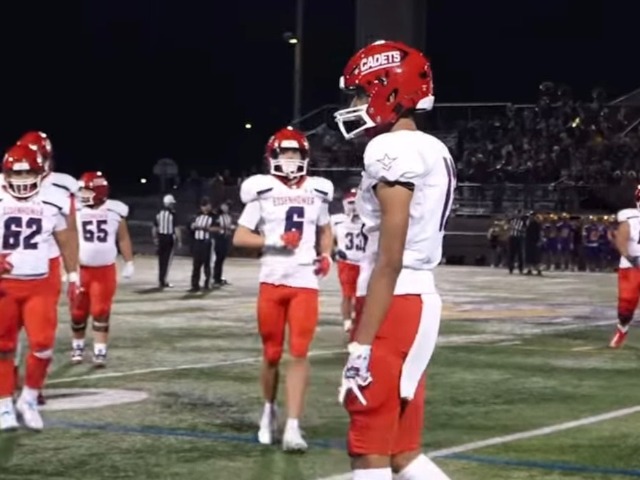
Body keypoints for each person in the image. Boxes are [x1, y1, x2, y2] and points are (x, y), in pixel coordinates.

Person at [333, 40, 454, 480]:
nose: (354, 105)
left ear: (388, 89)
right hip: (418, 301)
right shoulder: (433, 148)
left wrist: (361, 346)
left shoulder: (392, 150)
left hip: (394, 304)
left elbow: (390, 258)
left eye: (360, 94)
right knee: (403, 452)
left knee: (369, 450)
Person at [232, 126, 334, 451]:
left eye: (295, 152)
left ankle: (293, 425)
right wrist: (274, 241)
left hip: (304, 280)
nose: (290, 158)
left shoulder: (318, 190)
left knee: (300, 352)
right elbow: (240, 237)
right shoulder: (262, 190)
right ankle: (268, 410)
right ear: (272, 156)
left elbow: (325, 228)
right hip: (272, 279)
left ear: (305, 156)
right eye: (285, 152)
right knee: (272, 354)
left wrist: (326, 254)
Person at [0, 144, 79, 431]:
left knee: (43, 345)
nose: (21, 180)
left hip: (39, 283)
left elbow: (66, 238)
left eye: (27, 174)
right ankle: (3, 404)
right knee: (4, 346)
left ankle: (29, 399)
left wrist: (74, 275)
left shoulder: (54, 198)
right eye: (16, 174)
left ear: (41, 173)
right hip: (4, 285)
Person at [70, 171, 134, 367]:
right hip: (82, 269)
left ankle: (100, 351)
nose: (82, 195)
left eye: (86, 191)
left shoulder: (115, 210)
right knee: (78, 312)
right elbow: (69, 238)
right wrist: (69, 268)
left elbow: (123, 238)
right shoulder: (75, 210)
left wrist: (129, 261)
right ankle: (78, 347)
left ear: (98, 191)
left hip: (104, 270)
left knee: (101, 311)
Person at [610, 186, 640, 348]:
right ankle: (622, 329)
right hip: (632, 267)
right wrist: (629, 257)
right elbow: (621, 238)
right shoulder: (631, 219)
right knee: (626, 305)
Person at [331, 188, 364, 332]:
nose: (354, 206)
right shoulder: (337, 220)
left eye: (356, 202)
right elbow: (330, 238)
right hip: (347, 261)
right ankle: (347, 321)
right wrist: (335, 250)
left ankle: (360, 319)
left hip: (365, 262)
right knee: (347, 294)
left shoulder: (370, 220)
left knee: (363, 294)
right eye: (350, 202)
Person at [189, 197, 215, 292]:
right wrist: (192, 226)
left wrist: (206, 228)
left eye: (207, 205)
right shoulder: (197, 216)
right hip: (197, 242)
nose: (205, 208)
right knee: (196, 264)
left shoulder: (213, 216)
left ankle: (208, 284)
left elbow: (217, 228)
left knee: (207, 264)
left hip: (207, 242)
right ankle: (194, 285)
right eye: (203, 206)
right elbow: (190, 226)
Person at [152, 194, 179, 288]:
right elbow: (176, 228)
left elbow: (154, 228)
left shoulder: (159, 214)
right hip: (169, 238)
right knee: (167, 260)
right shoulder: (172, 214)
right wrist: (179, 240)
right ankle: (163, 280)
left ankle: (161, 279)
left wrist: (155, 238)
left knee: (161, 260)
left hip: (161, 237)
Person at [212, 201, 234, 286]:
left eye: (227, 206)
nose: (226, 208)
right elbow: (214, 227)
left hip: (225, 238)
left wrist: (230, 228)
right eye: (224, 206)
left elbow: (230, 226)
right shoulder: (217, 216)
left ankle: (218, 277)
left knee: (221, 258)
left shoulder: (228, 216)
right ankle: (215, 277)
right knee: (218, 259)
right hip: (219, 238)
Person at [507, 210, 526, 274]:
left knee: (520, 254)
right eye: (517, 213)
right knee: (511, 253)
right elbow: (507, 227)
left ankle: (521, 268)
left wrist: (515, 228)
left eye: (519, 214)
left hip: (519, 238)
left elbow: (524, 230)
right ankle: (510, 268)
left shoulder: (523, 221)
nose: (517, 215)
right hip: (512, 237)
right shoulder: (511, 220)